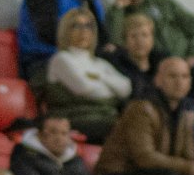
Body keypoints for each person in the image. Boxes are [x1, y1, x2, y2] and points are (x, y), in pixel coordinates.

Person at [95, 57, 194, 175]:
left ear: (190, 82)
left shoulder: (186, 112)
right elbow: (144, 158)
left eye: (184, 76)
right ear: (158, 80)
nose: (179, 82)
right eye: (172, 76)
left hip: (154, 173)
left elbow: (189, 155)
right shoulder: (141, 108)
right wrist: (191, 168)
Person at [104, 0, 194, 105]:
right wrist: (118, 7)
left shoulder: (164, 4)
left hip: (186, 59)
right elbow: (116, 43)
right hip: (155, 67)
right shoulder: (118, 16)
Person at [42, 9, 131, 142]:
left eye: (88, 26)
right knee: (127, 129)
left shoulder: (100, 63)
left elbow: (126, 89)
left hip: (104, 117)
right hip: (74, 119)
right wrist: (111, 88)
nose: (83, 31)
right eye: (76, 26)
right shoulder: (61, 59)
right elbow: (84, 88)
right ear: (66, 31)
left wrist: (99, 77)